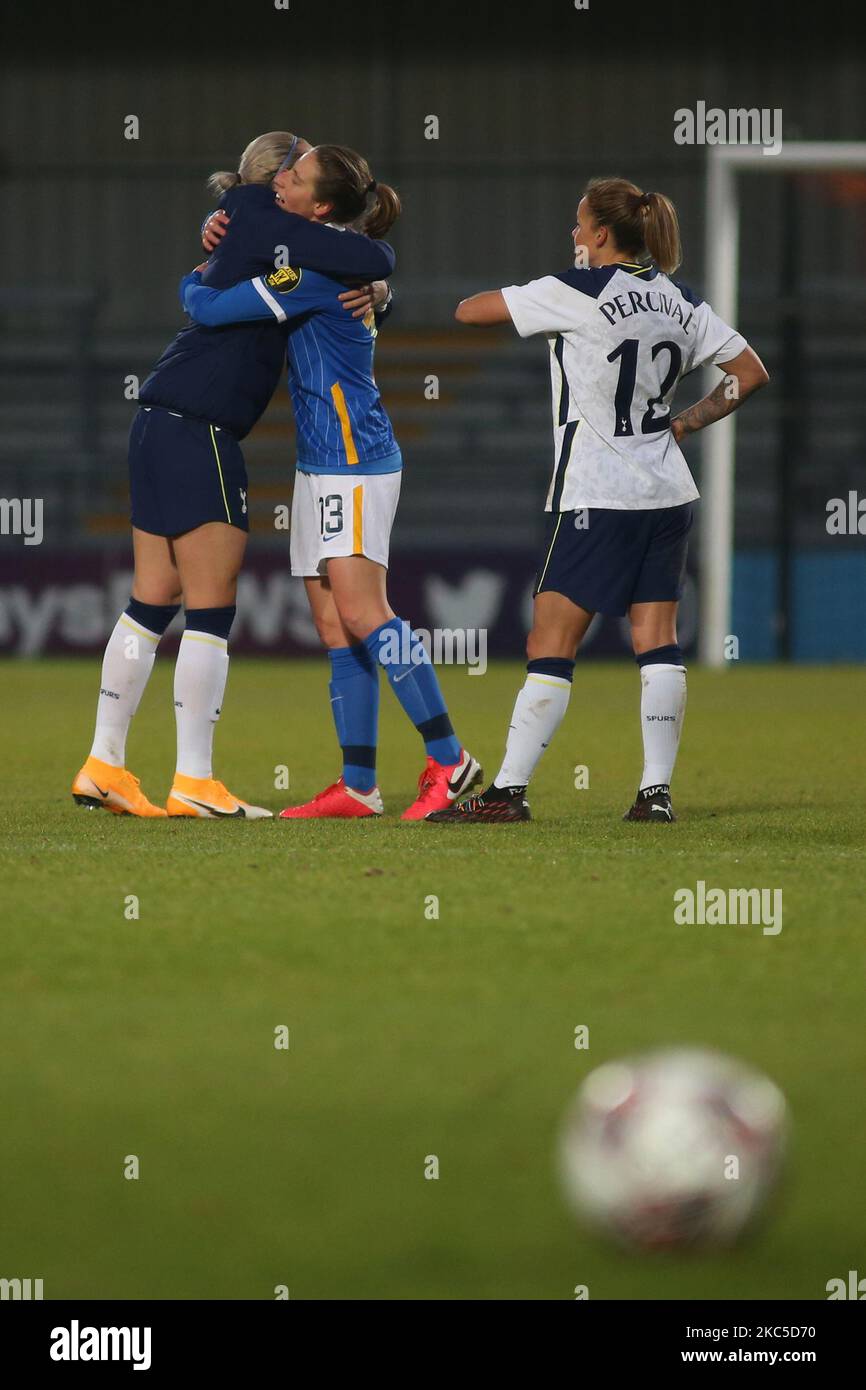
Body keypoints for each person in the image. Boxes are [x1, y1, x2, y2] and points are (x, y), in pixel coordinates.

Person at [71, 132, 394, 819]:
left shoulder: (246, 226)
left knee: (151, 600)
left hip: (155, 418)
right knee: (212, 607)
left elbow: (349, 267)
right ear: (279, 179)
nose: (299, 178)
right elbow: (369, 250)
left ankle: (105, 764)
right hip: (202, 429)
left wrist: (377, 291)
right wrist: (379, 272)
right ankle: (195, 780)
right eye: (297, 167)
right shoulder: (268, 221)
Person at [427, 176, 769, 825]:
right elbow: (750, 375)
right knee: (657, 642)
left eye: (580, 225)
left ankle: (508, 792)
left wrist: (548, 289)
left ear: (603, 235)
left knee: (551, 642)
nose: (574, 236)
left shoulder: (576, 291)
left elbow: (469, 311)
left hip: (594, 494)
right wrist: (686, 423)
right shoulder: (682, 301)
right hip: (667, 492)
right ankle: (655, 794)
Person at [182, 145, 481, 821]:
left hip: (353, 460)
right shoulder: (328, 254)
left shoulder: (317, 267)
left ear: (319, 206)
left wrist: (193, 278)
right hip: (321, 462)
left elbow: (212, 310)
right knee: (332, 623)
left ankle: (451, 760)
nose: (278, 178)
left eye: (293, 175)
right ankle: (357, 784)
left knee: (364, 613)